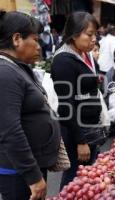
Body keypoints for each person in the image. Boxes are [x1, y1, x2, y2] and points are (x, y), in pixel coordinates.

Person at [0, 11, 60, 200]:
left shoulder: (16, 67)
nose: (39, 46)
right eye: (35, 39)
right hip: (18, 173)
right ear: (17, 39)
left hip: (30, 166)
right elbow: (10, 130)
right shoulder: (5, 73)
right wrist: (33, 177)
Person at [51, 11, 102, 189]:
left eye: (95, 34)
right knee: (74, 180)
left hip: (88, 126)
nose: (94, 39)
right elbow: (66, 106)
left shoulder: (83, 54)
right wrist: (81, 141)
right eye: (89, 34)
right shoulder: (63, 61)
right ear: (74, 34)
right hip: (77, 132)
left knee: (87, 178)